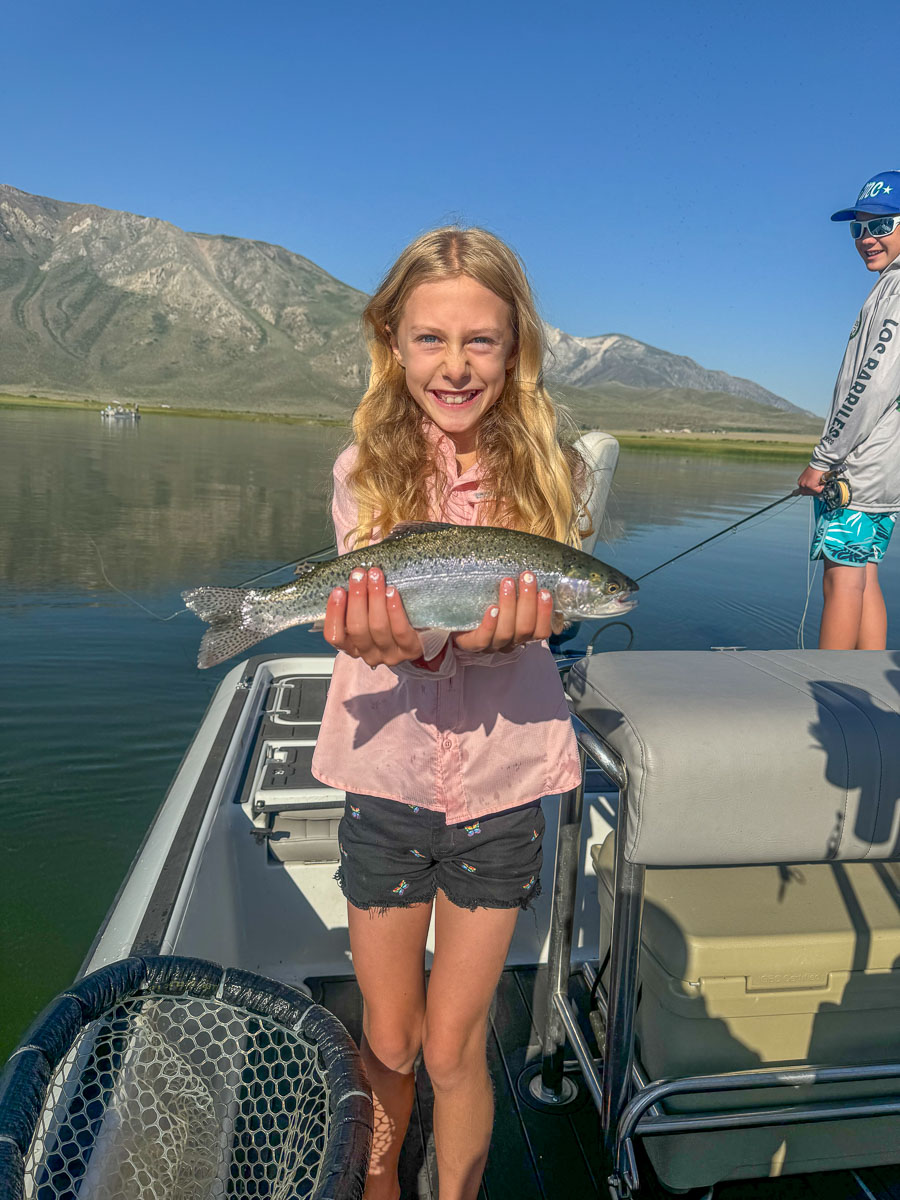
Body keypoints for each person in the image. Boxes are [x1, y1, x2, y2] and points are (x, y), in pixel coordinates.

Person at [310, 226, 587, 1200]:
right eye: (431, 339)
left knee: (454, 1050)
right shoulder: (362, 473)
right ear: (391, 341)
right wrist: (390, 636)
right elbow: (390, 620)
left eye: (481, 341)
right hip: (384, 778)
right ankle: (381, 1188)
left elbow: (527, 621)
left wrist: (506, 638)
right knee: (387, 1038)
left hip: (503, 791)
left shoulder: (553, 476)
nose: (456, 365)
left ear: (516, 352)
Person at [797, 170, 900, 649]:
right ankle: (870, 693)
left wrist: (823, 459)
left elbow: (869, 386)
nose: (866, 238)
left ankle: (829, 698)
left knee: (843, 580)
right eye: (857, 228)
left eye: (881, 225)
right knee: (865, 574)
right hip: (885, 471)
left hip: (857, 468)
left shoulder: (894, 294)